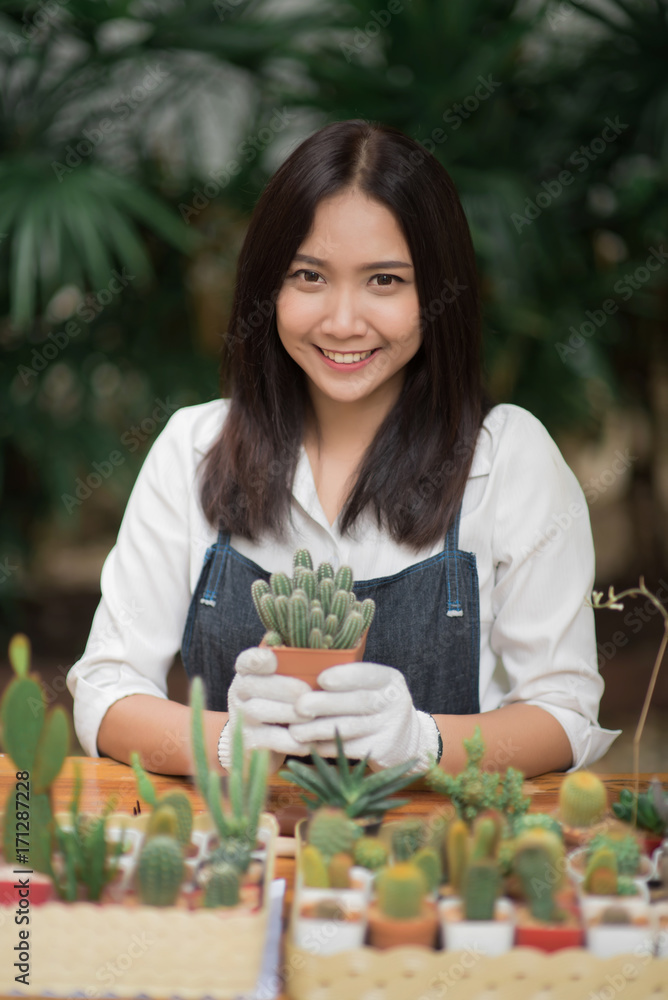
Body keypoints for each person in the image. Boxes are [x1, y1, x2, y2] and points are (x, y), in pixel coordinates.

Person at [66, 119, 619, 778]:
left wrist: (422, 741)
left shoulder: (507, 459)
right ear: (267, 285)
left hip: (440, 859)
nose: (344, 321)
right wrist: (226, 740)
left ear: (438, 292)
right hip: (242, 859)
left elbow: (562, 713)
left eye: (385, 281)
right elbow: (106, 693)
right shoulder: (194, 447)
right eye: (309, 276)